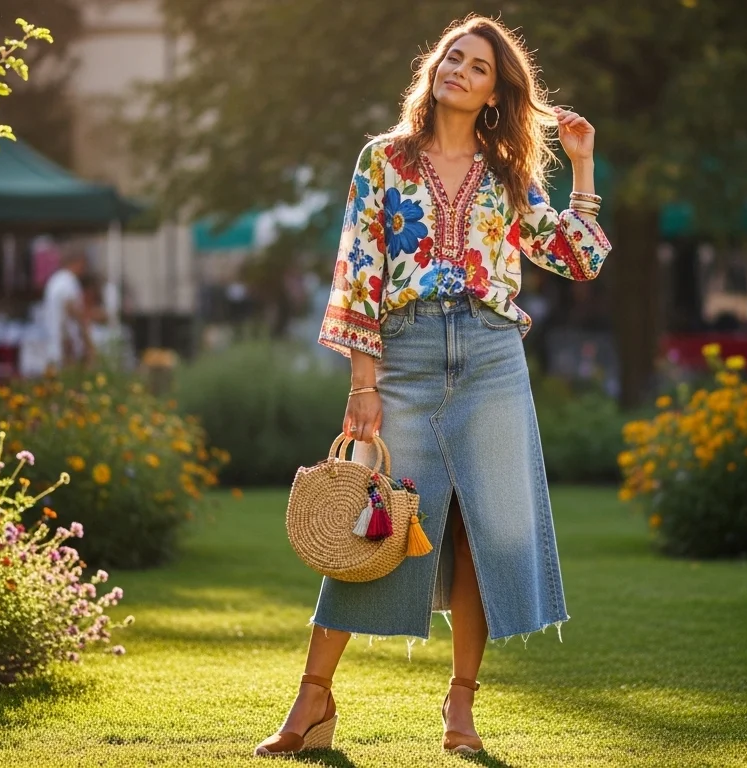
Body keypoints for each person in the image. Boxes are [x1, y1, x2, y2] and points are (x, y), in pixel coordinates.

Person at [254, 16, 612, 758]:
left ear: (493, 94)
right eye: (454, 57)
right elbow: (358, 265)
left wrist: (580, 165)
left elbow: (579, 261)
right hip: (406, 352)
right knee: (369, 522)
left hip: (490, 354)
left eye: (479, 67)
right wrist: (364, 380)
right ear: (435, 68)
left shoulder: (509, 172)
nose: (461, 70)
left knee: (479, 533)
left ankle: (461, 709)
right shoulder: (382, 160)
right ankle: (312, 702)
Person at [39, 250, 92, 371]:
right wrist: (87, 341)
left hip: (55, 340)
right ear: (78, 262)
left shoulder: (56, 279)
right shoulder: (68, 281)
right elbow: (71, 310)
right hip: (66, 342)